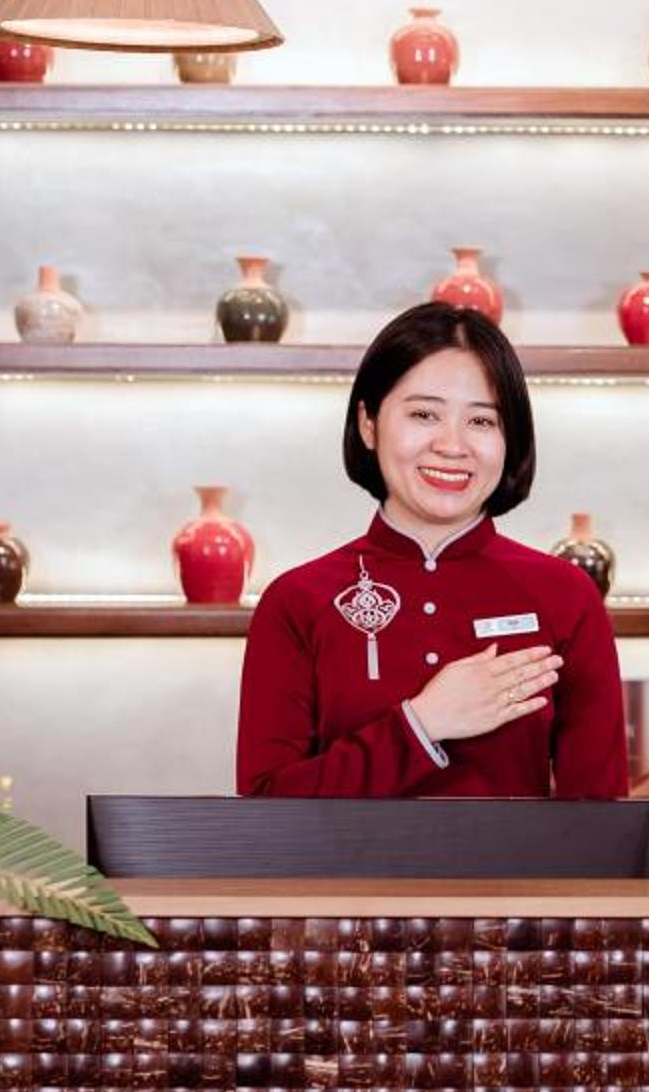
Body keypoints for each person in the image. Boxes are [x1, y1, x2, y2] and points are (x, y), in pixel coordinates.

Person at [235, 303, 626, 799]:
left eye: (481, 421)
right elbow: (266, 806)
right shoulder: (297, 600)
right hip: (343, 859)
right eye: (424, 414)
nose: (452, 445)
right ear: (369, 423)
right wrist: (421, 724)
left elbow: (600, 817)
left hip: (519, 858)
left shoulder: (566, 595)